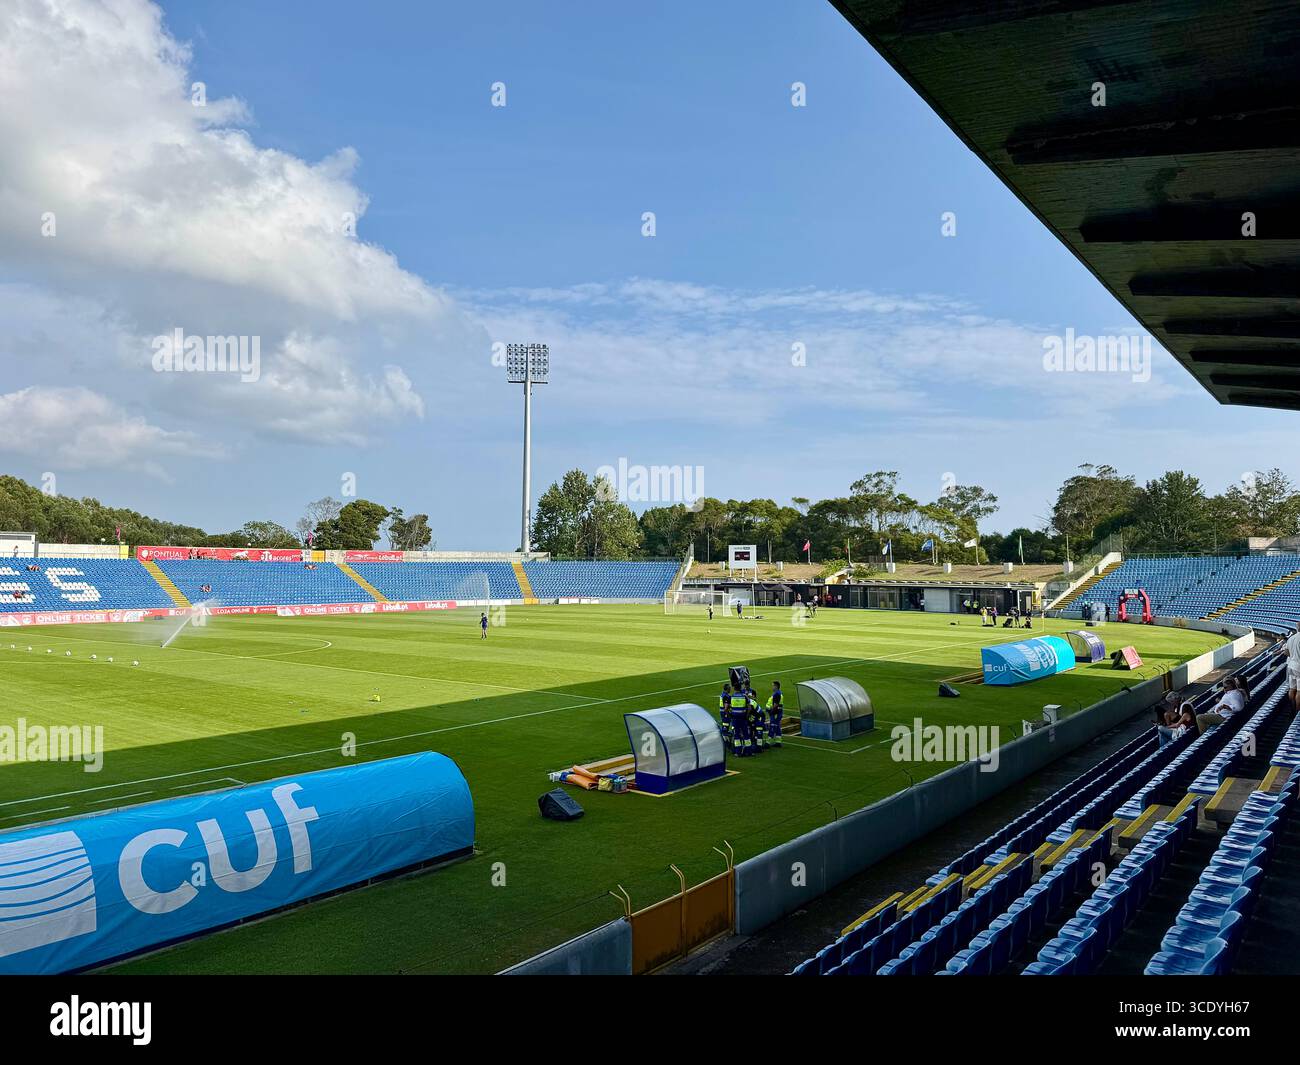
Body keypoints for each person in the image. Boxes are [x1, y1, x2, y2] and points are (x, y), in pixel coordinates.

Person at [765, 682, 784, 748]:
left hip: (775, 713)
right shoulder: (779, 693)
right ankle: (778, 742)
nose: (772, 687)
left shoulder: (776, 694)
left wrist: (771, 712)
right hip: (778, 712)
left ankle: (768, 742)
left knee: (772, 727)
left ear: (776, 686)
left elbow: (775, 705)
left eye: (773, 686)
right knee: (777, 726)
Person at [1288, 625, 1300, 716]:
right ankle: (1297, 712)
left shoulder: (1291, 638)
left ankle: (1292, 708)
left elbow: (1286, 652)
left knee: (1292, 688)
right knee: (1299, 691)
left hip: (1291, 665)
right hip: (1299, 666)